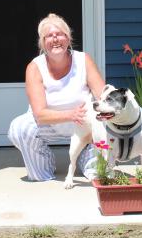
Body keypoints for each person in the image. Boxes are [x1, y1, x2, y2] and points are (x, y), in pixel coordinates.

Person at [8, 13, 106, 181]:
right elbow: (40, 114)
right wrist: (70, 115)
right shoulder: (34, 67)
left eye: (60, 34)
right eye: (49, 36)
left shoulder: (83, 60)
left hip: (85, 124)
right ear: (42, 43)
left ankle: (86, 154)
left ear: (68, 38)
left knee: (97, 175)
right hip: (50, 124)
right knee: (19, 128)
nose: (55, 39)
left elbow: (103, 97)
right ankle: (44, 166)